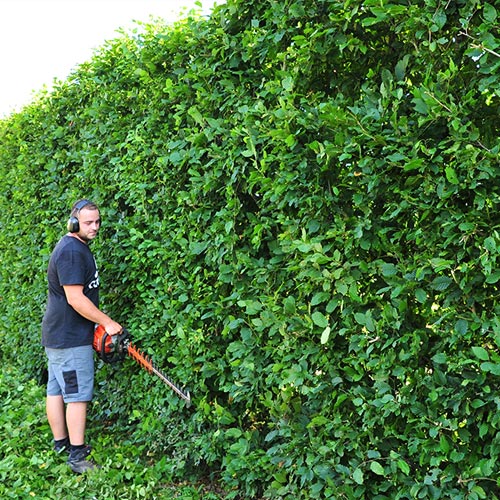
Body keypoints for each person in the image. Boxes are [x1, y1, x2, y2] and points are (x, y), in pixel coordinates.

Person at [41, 199, 122, 474]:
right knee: (76, 395)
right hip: (70, 337)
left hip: (59, 335)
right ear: (73, 222)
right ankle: (77, 456)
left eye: (98, 221)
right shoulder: (72, 252)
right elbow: (75, 299)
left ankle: (61, 444)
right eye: (88, 222)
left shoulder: (76, 247)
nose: (95, 227)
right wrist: (107, 322)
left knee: (56, 389)